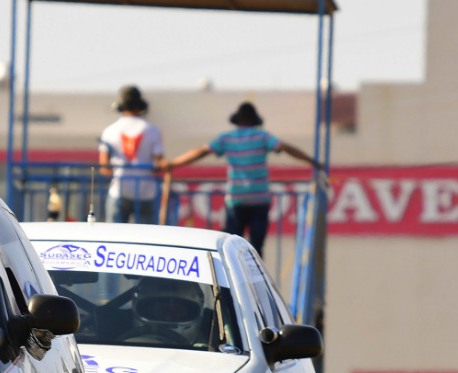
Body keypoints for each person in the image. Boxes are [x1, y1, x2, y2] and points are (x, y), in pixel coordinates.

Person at [167, 101, 320, 257]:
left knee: (231, 248)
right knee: (256, 249)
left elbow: (201, 152)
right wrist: (312, 161)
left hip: (236, 199)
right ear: (255, 121)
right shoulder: (262, 136)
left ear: (237, 121)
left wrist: (173, 164)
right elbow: (286, 148)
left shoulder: (227, 138)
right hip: (259, 200)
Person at [98, 85, 166, 225]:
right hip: (147, 191)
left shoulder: (109, 131)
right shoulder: (152, 130)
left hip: (119, 190)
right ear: (140, 106)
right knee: (148, 235)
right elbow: (159, 164)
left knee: (114, 235)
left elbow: (104, 167)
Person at [129, 277, 208, 345]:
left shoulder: (208, 351)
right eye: (160, 309)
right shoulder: (123, 347)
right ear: (144, 309)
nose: (168, 316)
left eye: (177, 311)